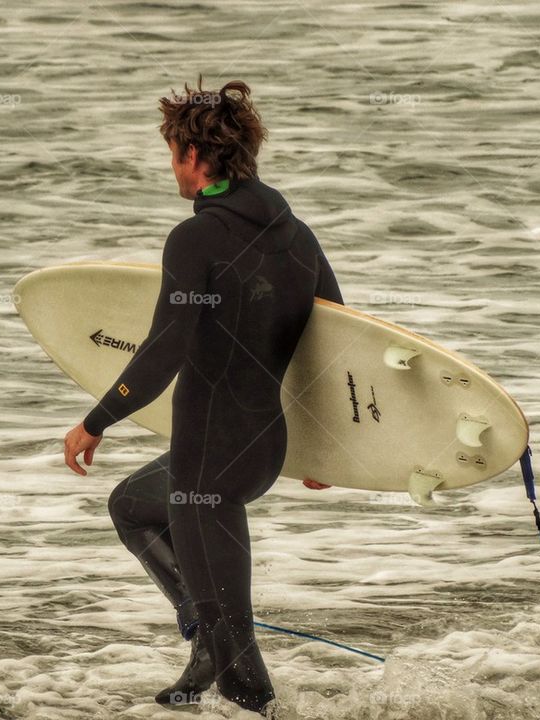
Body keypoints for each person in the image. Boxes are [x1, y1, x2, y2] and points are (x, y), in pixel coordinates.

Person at [63, 76, 344, 717]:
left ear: (194, 156)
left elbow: (164, 350)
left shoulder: (194, 239)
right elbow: (336, 339)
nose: (171, 166)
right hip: (262, 448)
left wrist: (96, 421)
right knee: (132, 506)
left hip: (205, 461)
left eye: (172, 153)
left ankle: (216, 652)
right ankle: (201, 631)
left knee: (239, 668)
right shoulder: (297, 234)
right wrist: (326, 445)